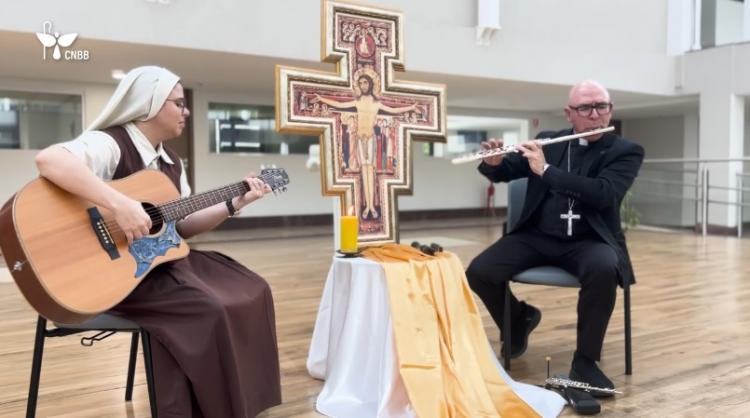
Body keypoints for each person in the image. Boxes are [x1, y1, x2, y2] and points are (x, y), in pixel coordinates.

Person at [34, 66, 282, 417]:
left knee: (253, 289)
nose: (187, 111)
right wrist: (119, 204)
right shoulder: (111, 143)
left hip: (158, 266)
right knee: (208, 308)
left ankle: (243, 406)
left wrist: (234, 203)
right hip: (117, 276)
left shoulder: (172, 163)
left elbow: (180, 227)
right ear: (149, 105)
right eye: (179, 104)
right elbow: (49, 159)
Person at [465, 80, 644, 392]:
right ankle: (519, 319)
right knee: (479, 272)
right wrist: (492, 163)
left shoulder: (625, 151)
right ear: (569, 113)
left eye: (601, 106)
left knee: (604, 268)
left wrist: (546, 171)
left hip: (590, 241)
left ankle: (586, 361)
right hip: (538, 236)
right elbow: (507, 170)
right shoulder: (549, 141)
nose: (594, 115)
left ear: (610, 110)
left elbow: (604, 193)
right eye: (585, 108)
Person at [312, 71, 416, 219]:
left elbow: (394, 111)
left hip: (371, 139)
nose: (363, 85)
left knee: (370, 172)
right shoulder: (357, 102)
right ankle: (367, 205)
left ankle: (371, 205)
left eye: (365, 82)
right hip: (360, 139)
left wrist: (410, 108)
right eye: (360, 83)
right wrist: (322, 99)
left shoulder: (376, 103)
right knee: (364, 171)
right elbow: (340, 105)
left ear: (370, 84)